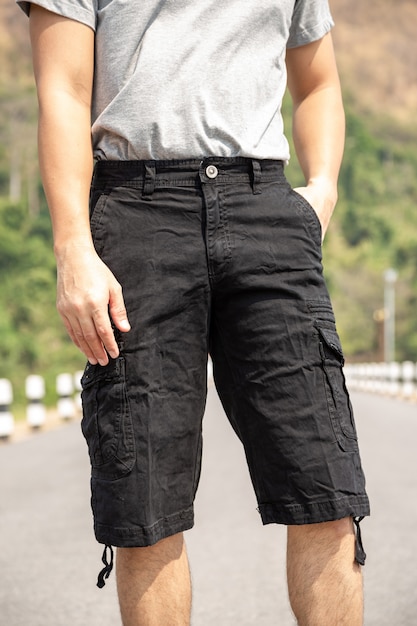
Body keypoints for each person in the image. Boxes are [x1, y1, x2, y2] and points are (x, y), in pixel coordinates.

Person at [19, 1, 370, 624]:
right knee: (145, 500)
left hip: (265, 206)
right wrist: (73, 245)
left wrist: (322, 191)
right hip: (137, 209)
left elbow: (318, 80)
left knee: (325, 484)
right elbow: (64, 91)